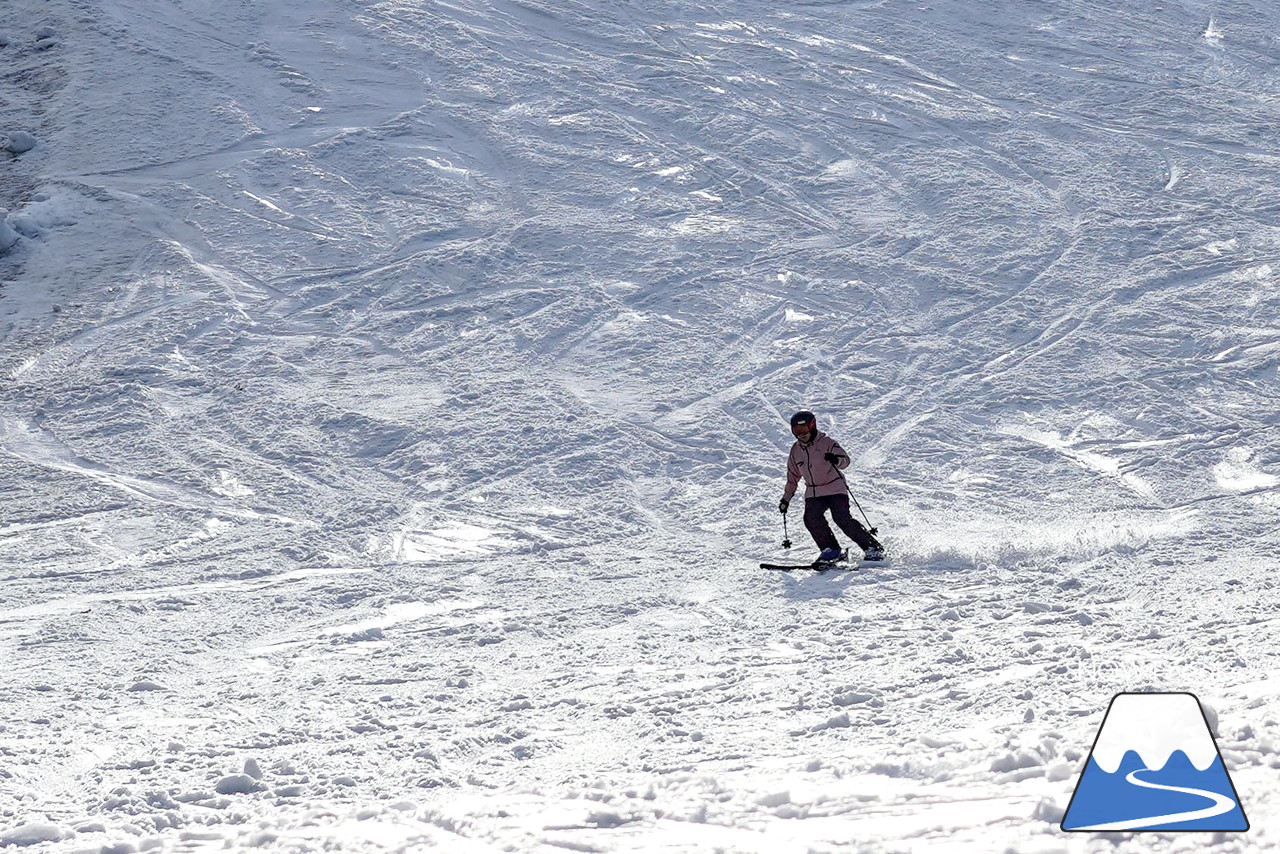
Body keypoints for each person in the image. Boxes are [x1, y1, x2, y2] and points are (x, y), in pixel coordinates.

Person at [779, 410, 885, 562]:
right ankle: (832, 550)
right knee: (811, 518)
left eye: (804, 430)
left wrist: (835, 460)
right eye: (797, 431)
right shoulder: (795, 450)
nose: (801, 434)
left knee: (841, 518)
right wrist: (785, 499)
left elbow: (845, 461)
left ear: (812, 426)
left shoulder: (827, 443)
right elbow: (792, 477)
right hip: (814, 492)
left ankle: (873, 548)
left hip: (835, 488)